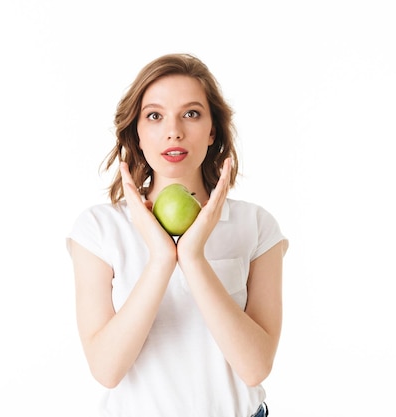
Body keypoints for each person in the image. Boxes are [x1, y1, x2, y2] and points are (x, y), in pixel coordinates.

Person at [66, 53, 288, 417]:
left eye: (191, 113)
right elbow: (106, 370)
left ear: (213, 129)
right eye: (155, 115)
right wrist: (161, 259)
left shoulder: (256, 226)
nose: (174, 131)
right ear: (136, 131)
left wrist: (194, 258)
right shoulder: (100, 230)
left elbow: (256, 367)